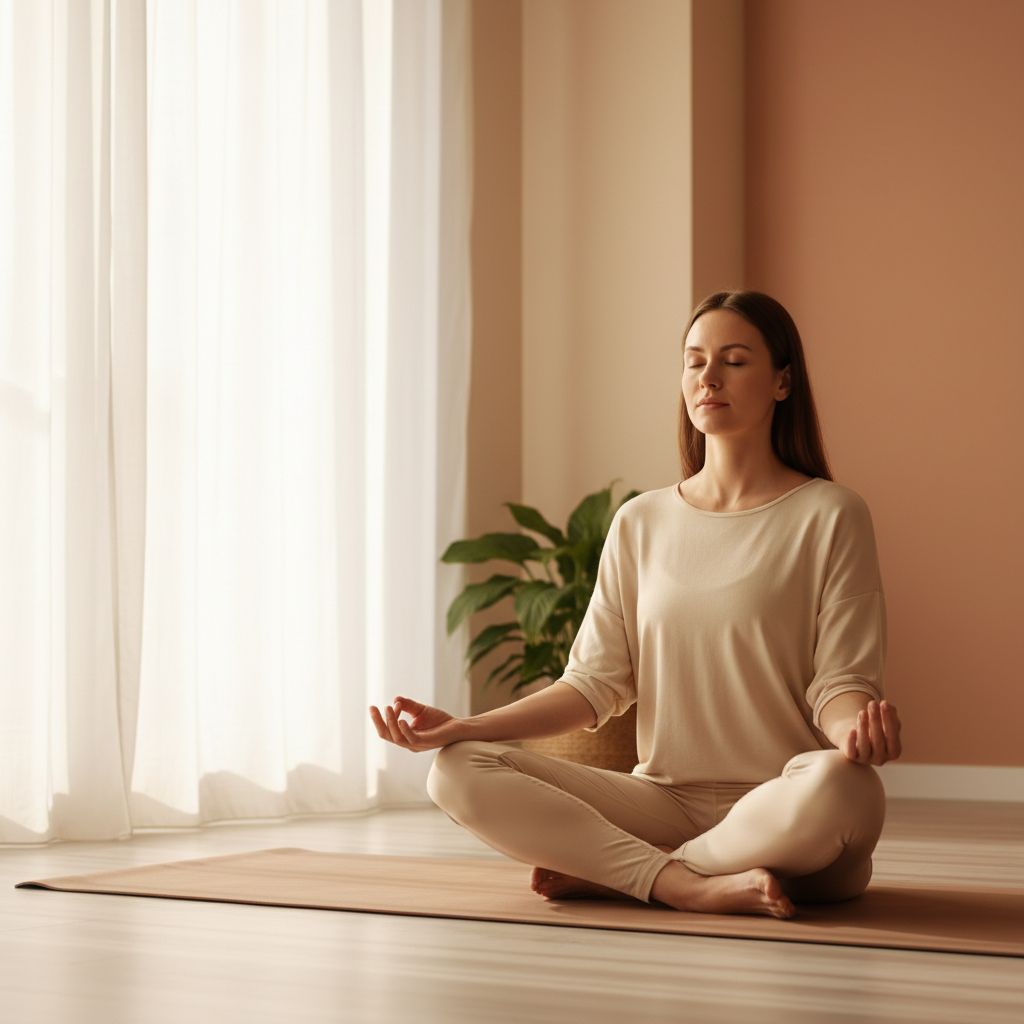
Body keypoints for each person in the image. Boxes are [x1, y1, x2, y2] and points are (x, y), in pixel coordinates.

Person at [369, 289, 903, 920]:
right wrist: (465, 726)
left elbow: (839, 682)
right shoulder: (640, 522)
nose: (708, 377)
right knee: (456, 770)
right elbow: (594, 685)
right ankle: (682, 883)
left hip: (784, 807)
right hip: (661, 806)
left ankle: (627, 873)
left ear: (782, 381)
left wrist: (855, 734)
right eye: (694, 360)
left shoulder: (830, 513)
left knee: (848, 788)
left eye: (733, 360)